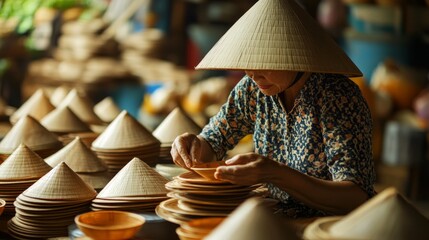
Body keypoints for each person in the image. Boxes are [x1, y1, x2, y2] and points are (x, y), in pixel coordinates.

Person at [171, 0, 376, 218]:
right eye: (248, 61)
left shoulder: (337, 97)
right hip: (271, 215)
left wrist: (276, 174)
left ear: (295, 55)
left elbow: (354, 197)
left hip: (327, 225)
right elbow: (213, 142)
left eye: (265, 61)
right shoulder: (252, 90)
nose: (252, 73)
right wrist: (193, 146)